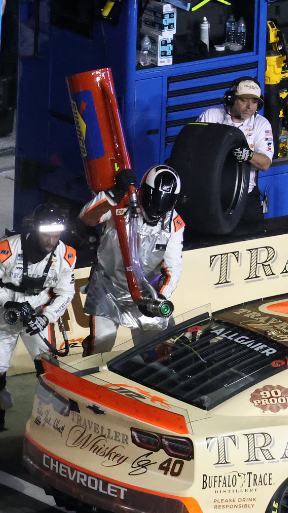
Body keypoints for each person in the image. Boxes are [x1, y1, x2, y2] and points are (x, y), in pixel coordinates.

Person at [0, 204, 76, 431]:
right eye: (46, 235)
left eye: (56, 236)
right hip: (4, 313)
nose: (51, 242)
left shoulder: (66, 255)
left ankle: (52, 420)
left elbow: (66, 292)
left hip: (38, 312)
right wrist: (6, 301)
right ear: (34, 229)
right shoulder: (5, 249)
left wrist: (46, 318)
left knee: (49, 368)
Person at [79, 165, 185, 355]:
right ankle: (90, 376)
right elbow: (88, 218)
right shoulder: (122, 201)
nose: (157, 208)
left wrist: (161, 296)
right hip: (108, 286)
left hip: (145, 292)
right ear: (144, 191)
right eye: (154, 198)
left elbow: (173, 267)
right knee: (101, 345)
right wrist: (114, 193)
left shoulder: (174, 224)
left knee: (156, 348)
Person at [196, 77, 272, 221]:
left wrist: (247, 154)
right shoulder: (210, 116)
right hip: (210, 194)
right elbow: (193, 154)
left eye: (254, 101)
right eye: (244, 100)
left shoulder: (261, 124)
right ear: (231, 99)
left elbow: (265, 163)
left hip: (245, 195)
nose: (249, 106)